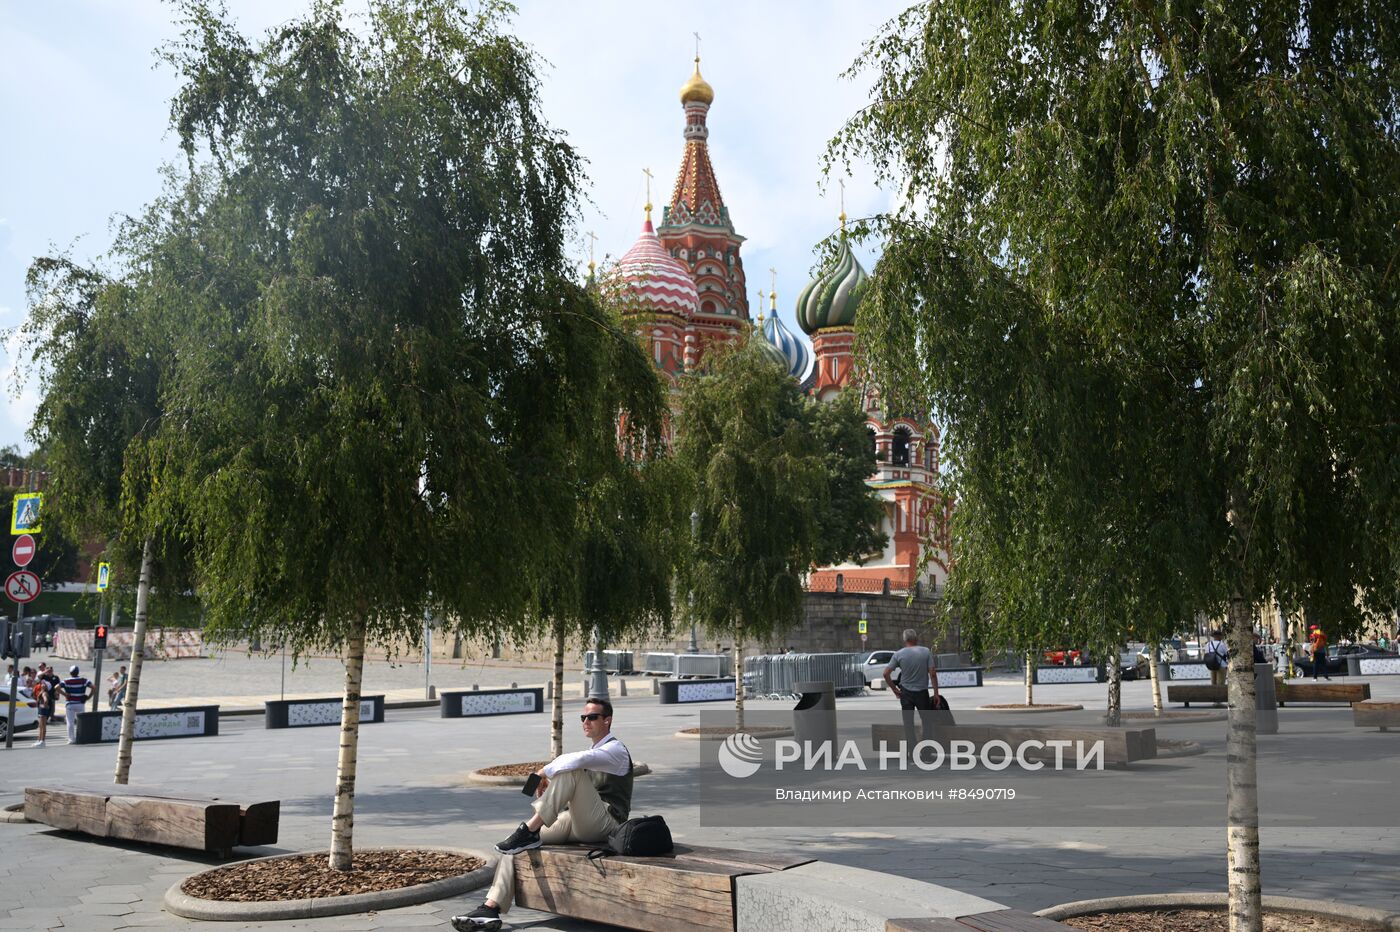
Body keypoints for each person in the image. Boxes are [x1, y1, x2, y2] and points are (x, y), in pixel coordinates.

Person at [452, 697, 633, 931]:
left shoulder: (615, 750)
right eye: (583, 717)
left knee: (572, 772)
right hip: (581, 821)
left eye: (592, 717)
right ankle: (490, 909)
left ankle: (530, 829)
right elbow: (574, 764)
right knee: (513, 845)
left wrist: (540, 772)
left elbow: (577, 760)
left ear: (607, 720)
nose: (586, 721)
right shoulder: (595, 750)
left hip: (608, 823)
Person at [885, 629, 941, 754]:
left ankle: (913, 751)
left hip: (906, 693)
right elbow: (932, 674)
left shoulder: (898, 654)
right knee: (926, 722)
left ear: (905, 640)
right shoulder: (926, 651)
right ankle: (926, 752)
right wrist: (936, 694)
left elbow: (886, 673)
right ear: (916, 639)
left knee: (908, 723)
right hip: (922, 692)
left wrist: (894, 689)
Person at [59, 665, 94, 744]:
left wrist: (65, 694)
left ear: (70, 673)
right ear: (78, 672)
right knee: (81, 722)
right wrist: (88, 697)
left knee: (70, 722)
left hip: (70, 704)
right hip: (80, 704)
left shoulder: (66, 681)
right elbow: (94, 687)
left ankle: (71, 739)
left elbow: (56, 687)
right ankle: (81, 738)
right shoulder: (84, 680)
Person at [31, 663, 59, 748]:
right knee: (41, 725)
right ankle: (39, 740)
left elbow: (47, 698)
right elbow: (38, 677)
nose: (42, 684)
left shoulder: (46, 691)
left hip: (46, 705)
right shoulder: (43, 679)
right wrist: (45, 671)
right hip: (42, 705)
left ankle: (42, 741)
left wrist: (45, 705)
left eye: (44, 684)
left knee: (43, 725)